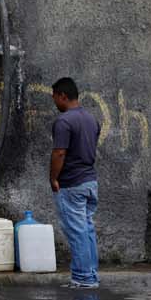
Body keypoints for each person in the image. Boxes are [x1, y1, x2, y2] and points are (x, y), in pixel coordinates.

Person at [50, 77, 101, 289]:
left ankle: (83, 278)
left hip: (72, 184)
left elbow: (60, 152)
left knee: (77, 231)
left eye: (55, 98)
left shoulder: (64, 121)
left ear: (63, 96)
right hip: (90, 182)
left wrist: (53, 177)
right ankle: (91, 275)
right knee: (87, 229)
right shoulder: (91, 119)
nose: (54, 102)